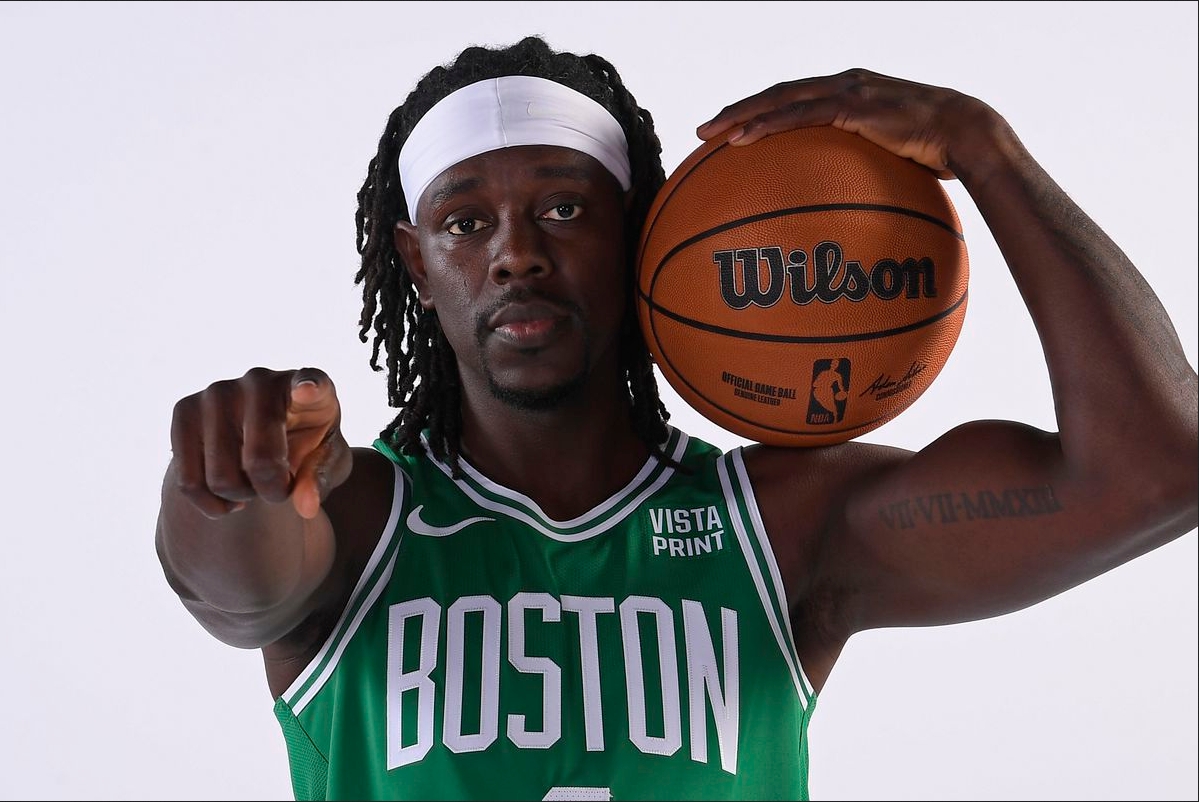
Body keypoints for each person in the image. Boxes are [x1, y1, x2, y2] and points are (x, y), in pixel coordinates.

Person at [154, 35, 1198, 801]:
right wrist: (232, 477)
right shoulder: (355, 515)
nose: (515, 254)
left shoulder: (780, 526)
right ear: (416, 266)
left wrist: (985, 149)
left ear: (642, 232)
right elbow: (239, 595)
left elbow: (1157, 473)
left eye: (564, 209)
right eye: (464, 223)